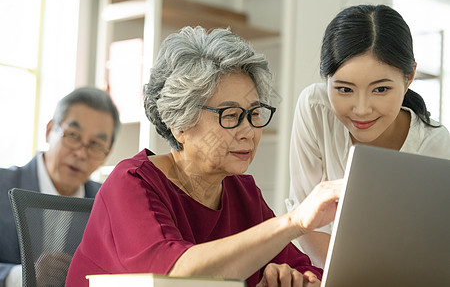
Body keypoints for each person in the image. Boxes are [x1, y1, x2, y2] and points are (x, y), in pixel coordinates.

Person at [66, 26, 342, 287]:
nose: (248, 132)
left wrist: (290, 279)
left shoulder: (242, 192)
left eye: (254, 113)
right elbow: (175, 275)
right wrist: (293, 221)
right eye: (231, 116)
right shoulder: (132, 182)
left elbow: (309, 273)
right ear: (180, 124)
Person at [287, 4, 450, 269]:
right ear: (326, 79)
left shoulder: (435, 146)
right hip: (321, 273)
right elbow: (305, 219)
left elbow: (430, 249)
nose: (362, 109)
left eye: (381, 89)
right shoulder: (315, 108)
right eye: (344, 89)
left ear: (409, 78)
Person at [0, 86, 120, 287]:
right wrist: (23, 276)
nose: (81, 153)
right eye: (73, 135)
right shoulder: (3, 185)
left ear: (106, 155)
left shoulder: (108, 203)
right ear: (49, 131)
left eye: (96, 145)